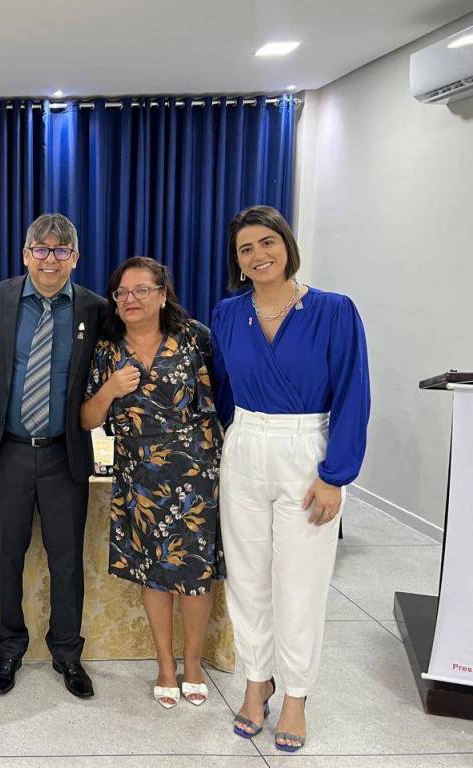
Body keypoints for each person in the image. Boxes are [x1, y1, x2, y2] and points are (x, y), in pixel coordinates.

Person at [211, 205, 370, 752]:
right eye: (245, 249)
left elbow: (353, 393)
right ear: (237, 262)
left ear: (287, 244)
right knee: (247, 577)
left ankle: (297, 694)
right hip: (245, 444)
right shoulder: (228, 314)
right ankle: (258, 681)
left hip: (306, 449)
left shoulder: (333, 311)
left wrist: (335, 476)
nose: (258, 255)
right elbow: (223, 390)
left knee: (300, 582)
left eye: (267, 242)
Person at [0, 213, 108, 698]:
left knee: (66, 561)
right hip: (7, 453)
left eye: (61, 250)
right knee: (5, 557)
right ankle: (8, 649)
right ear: (25, 254)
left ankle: (67, 653)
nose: (50, 259)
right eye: (41, 249)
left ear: (75, 257)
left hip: (63, 455)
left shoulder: (95, 308)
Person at [81, 257, 224, 709]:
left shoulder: (195, 338)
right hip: (139, 475)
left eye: (141, 290)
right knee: (155, 572)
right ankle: (165, 664)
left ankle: (193, 664)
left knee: (195, 574)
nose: (131, 299)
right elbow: (87, 418)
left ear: (163, 295)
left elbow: (226, 398)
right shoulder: (106, 350)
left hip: (196, 472)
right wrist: (110, 389)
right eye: (122, 292)